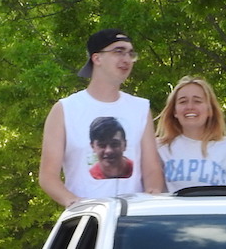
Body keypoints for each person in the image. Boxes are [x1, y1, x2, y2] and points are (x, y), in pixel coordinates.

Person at [38, 28, 165, 207]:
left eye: (130, 54)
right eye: (118, 52)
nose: (126, 59)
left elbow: (152, 168)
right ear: (96, 58)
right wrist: (76, 204)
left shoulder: (141, 108)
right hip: (86, 220)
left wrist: (152, 195)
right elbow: (47, 177)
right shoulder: (65, 109)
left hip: (132, 221)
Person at [156, 76, 226, 191]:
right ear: (174, 111)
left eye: (197, 101)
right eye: (183, 101)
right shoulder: (159, 148)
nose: (190, 107)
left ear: (210, 110)